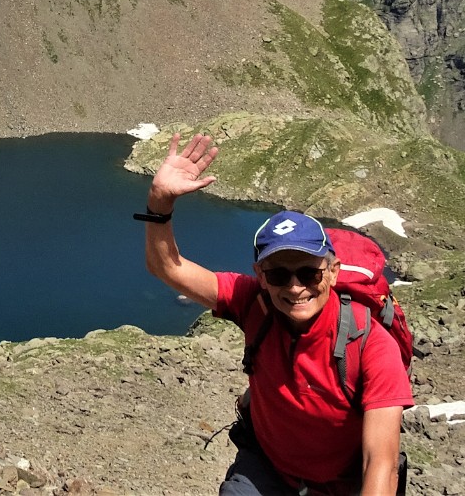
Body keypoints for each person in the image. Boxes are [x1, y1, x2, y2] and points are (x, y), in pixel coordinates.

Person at [141, 132, 413, 496]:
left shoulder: (370, 345)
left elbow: (379, 461)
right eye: (279, 274)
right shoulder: (253, 301)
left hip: (342, 486)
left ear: (332, 272)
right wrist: (160, 202)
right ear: (261, 277)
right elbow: (168, 268)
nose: (296, 286)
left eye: (309, 272)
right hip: (269, 471)